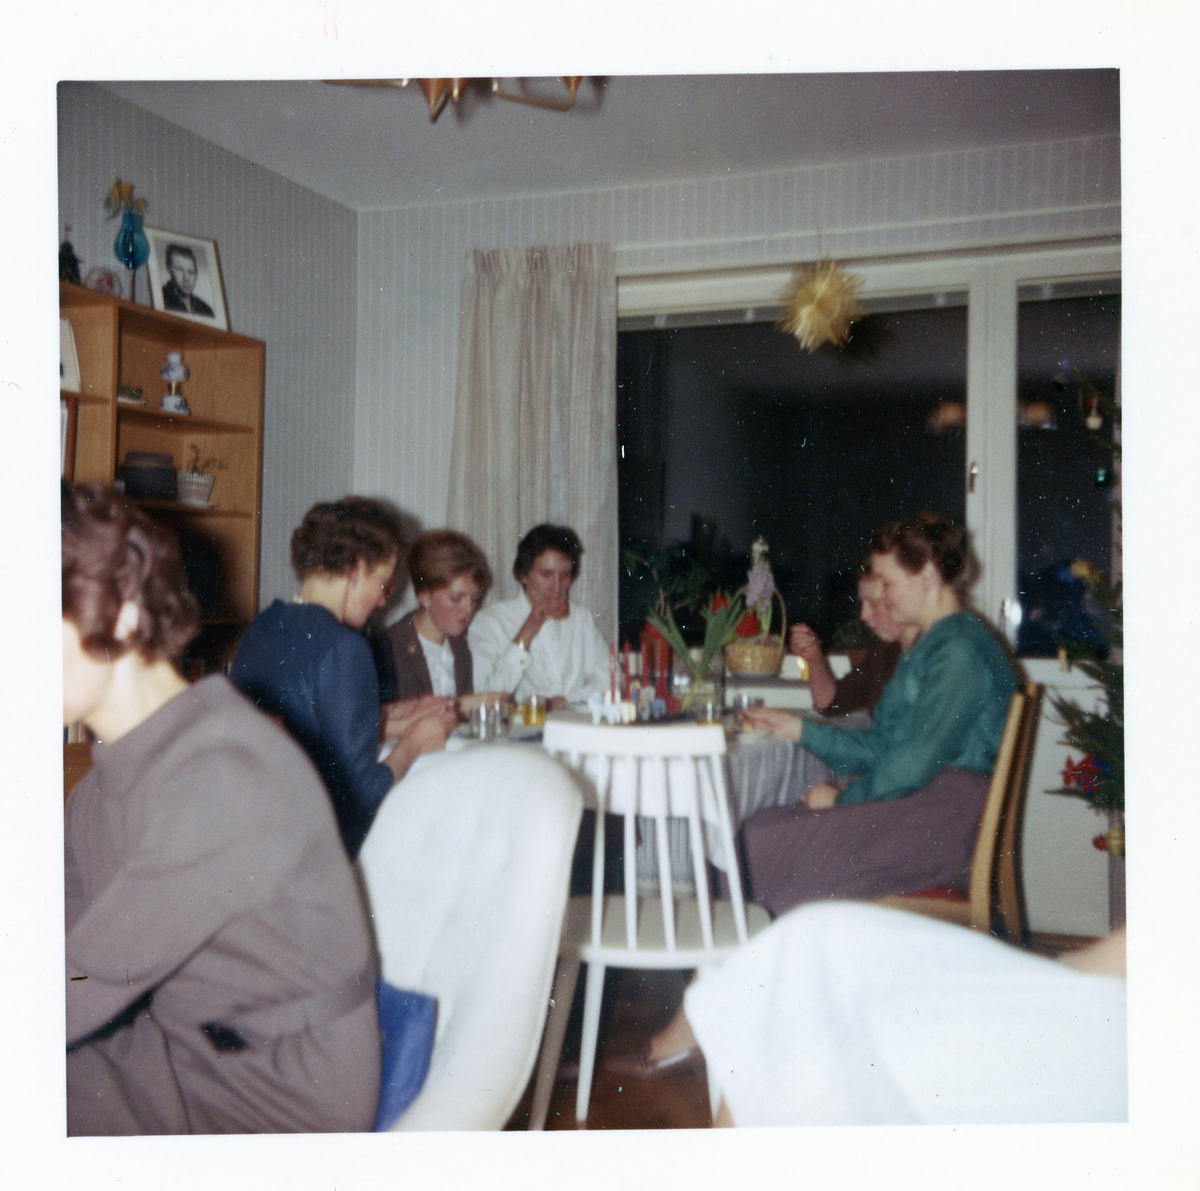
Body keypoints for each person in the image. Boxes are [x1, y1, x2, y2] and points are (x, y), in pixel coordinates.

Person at [62, 484, 383, 1134]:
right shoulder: (102, 784)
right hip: (184, 1046)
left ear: (120, 613)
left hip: (270, 1091)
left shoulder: (220, 776)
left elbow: (74, 985)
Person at [739, 512, 1015, 915]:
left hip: (941, 823)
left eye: (887, 583)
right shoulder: (932, 646)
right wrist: (797, 728)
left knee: (755, 844)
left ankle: (757, 953)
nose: (881, 597)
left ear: (928, 575)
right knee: (759, 830)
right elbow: (887, 747)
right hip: (921, 803)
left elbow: (909, 765)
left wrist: (842, 801)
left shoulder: (959, 652)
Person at [662, 902, 1127, 1126]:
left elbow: (906, 766)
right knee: (813, 943)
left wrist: (838, 794)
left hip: (1111, 1043)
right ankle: (711, 1024)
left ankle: (701, 1026)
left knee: (797, 910)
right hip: (1095, 999)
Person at [231, 498, 455, 859]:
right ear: (357, 569)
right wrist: (415, 742)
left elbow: (306, 734)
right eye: (383, 585)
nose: (382, 602)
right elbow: (361, 795)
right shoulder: (345, 647)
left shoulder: (261, 628)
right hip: (320, 851)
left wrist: (384, 722)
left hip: (255, 834)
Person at [468, 523, 611, 706]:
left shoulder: (580, 618)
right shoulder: (491, 621)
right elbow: (485, 695)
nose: (557, 587)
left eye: (565, 575)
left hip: (574, 719)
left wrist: (566, 701)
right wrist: (528, 630)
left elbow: (611, 679)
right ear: (524, 575)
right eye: (546, 574)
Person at [789, 566, 915, 718]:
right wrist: (814, 659)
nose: (863, 615)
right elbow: (830, 703)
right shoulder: (885, 651)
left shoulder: (931, 654)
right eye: (862, 604)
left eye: (873, 604)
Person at [383, 529, 491, 703]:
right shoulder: (391, 649)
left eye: (473, 600)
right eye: (456, 598)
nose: (468, 609)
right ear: (424, 596)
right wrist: (459, 707)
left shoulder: (459, 647)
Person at [161, 244, 215, 317]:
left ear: (196, 275)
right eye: (179, 270)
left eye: (191, 272)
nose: (186, 278)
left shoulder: (206, 310)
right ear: (168, 269)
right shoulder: (160, 299)